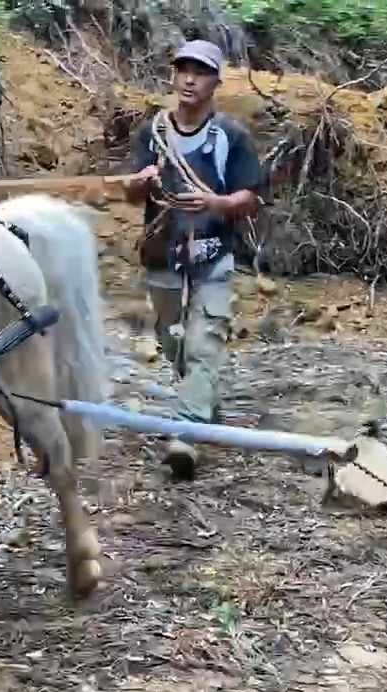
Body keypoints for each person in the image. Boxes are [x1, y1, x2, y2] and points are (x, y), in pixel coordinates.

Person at [123, 39, 262, 478]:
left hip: (213, 254)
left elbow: (252, 197)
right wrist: (140, 182)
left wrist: (216, 204)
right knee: (172, 342)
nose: (189, 78)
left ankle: (185, 435)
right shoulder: (153, 133)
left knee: (204, 343)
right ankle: (205, 403)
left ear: (215, 81)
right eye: (183, 69)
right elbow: (130, 190)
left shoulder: (231, 136)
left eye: (199, 72)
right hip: (162, 252)